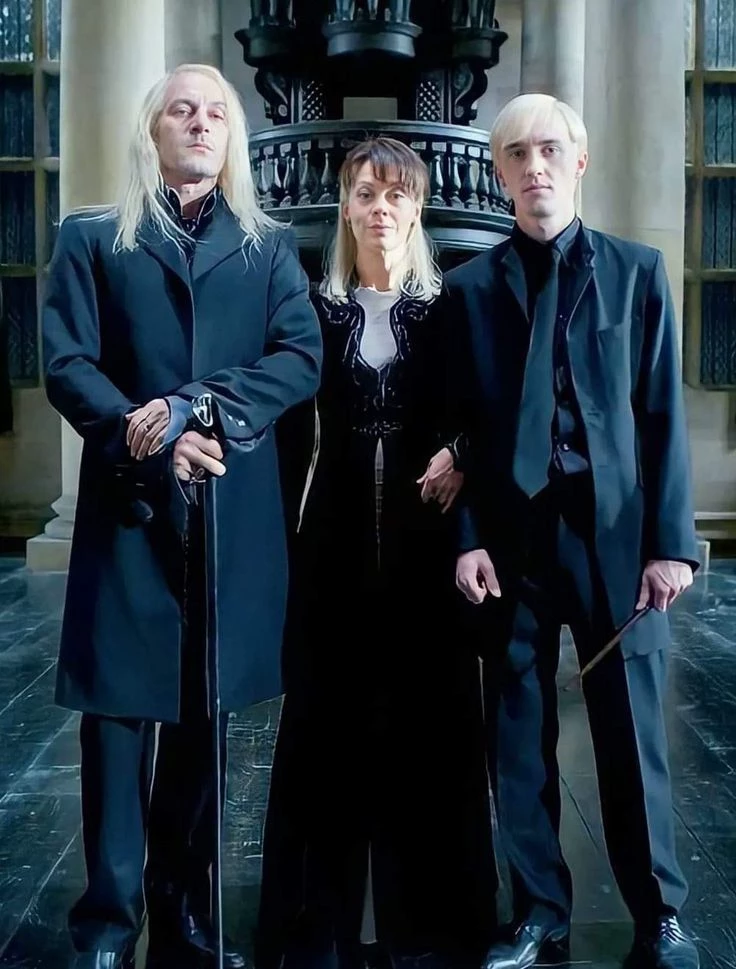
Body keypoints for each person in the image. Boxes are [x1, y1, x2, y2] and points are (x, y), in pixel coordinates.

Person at [42, 63, 321, 969]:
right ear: (153, 130)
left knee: (206, 718)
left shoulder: (269, 246)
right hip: (129, 509)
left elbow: (298, 358)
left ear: (231, 137)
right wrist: (152, 436)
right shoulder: (92, 237)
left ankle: (184, 913)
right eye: (181, 110)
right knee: (116, 722)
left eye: (215, 113)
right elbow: (68, 363)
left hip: (231, 515)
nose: (199, 123)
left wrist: (198, 406)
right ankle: (106, 925)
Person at [444, 93, 700, 969]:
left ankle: (660, 914)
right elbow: (457, 431)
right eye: (517, 154)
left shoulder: (637, 273)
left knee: (633, 731)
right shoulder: (468, 291)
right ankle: (538, 913)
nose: (535, 167)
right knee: (516, 733)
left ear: (578, 160)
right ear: (499, 173)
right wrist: (467, 536)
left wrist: (671, 544)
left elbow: (661, 415)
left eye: (550, 149)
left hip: (615, 538)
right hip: (510, 537)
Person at [256, 137, 496, 969]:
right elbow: (287, 428)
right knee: (327, 721)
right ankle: (316, 922)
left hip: (430, 536)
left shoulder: (449, 309)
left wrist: (461, 449)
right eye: (366, 193)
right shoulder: (314, 311)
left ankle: (427, 925)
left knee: (429, 723)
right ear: (346, 208)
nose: (381, 208)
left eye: (396, 195)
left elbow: (485, 410)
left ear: (418, 208)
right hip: (335, 532)